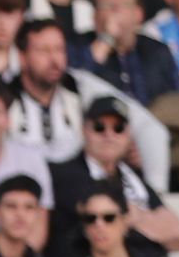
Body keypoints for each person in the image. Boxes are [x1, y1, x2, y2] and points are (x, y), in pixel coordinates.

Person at [9, 20, 169, 185]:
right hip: (20, 192)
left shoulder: (79, 86)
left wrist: (156, 185)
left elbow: (150, 128)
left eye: (59, 50)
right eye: (44, 51)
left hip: (80, 190)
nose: (54, 59)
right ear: (22, 57)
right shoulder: (4, 97)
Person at [48, 95, 163, 248]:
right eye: (99, 127)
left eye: (118, 128)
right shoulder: (63, 175)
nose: (109, 135)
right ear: (84, 130)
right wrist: (149, 221)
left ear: (128, 136)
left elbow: (177, 232)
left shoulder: (133, 177)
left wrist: (138, 218)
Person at [78, 0, 179, 106]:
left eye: (123, 4)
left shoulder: (158, 51)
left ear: (139, 14)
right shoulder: (78, 46)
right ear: (94, 16)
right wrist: (106, 39)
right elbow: (78, 87)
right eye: (106, 5)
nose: (115, 11)